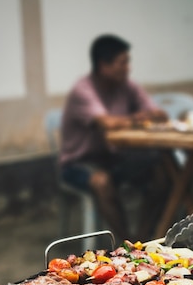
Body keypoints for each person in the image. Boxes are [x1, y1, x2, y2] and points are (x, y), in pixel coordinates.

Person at [59, 34, 168, 242]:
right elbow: (107, 123)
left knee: (161, 174)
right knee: (102, 182)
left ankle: (142, 239)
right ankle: (125, 243)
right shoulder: (83, 89)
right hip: (79, 162)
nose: (128, 68)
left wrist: (136, 117)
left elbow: (159, 114)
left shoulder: (127, 86)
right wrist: (139, 117)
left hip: (114, 157)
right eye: (123, 62)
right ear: (103, 65)